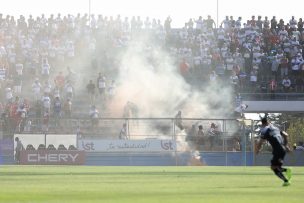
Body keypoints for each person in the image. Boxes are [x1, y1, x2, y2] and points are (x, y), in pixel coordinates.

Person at [256, 117, 292, 186]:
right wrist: (286, 145)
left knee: (274, 167)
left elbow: (260, 142)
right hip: (282, 149)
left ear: (262, 123)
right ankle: (286, 174)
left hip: (278, 150)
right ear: (268, 122)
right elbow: (286, 135)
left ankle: (286, 179)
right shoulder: (275, 128)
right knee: (276, 167)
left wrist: (258, 150)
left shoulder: (264, 130)